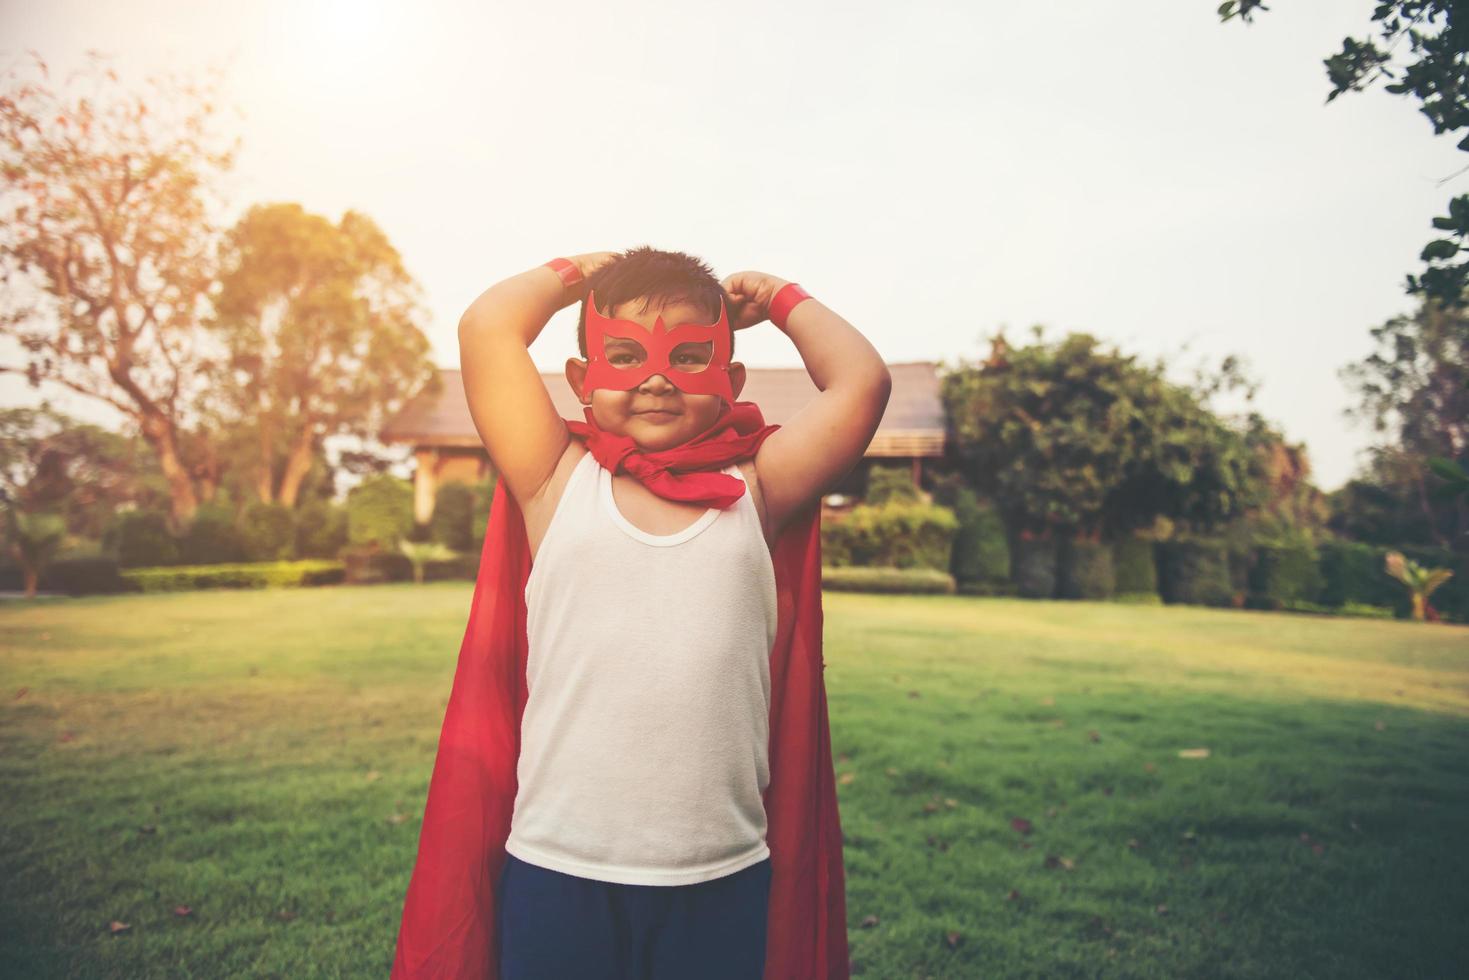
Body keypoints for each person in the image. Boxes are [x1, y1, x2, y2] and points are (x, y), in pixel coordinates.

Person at [391, 246, 891, 979]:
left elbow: (861, 381)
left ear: (731, 379)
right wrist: (578, 273)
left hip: (717, 869)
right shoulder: (554, 479)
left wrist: (780, 296)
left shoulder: (761, 488)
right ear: (582, 382)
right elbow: (488, 327)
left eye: (689, 357)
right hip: (558, 862)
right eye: (624, 355)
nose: (656, 377)